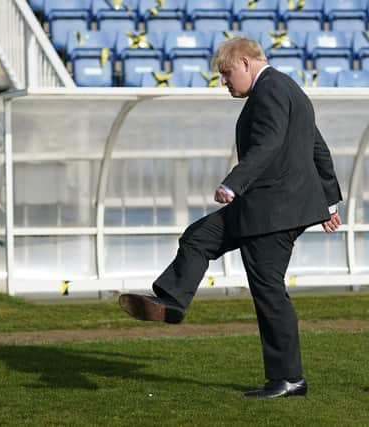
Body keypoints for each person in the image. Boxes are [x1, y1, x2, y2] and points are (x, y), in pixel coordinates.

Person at [118, 37, 343, 399]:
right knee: (199, 236)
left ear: (245, 63)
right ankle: (172, 301)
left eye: (225, 73)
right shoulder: (290, 89)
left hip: (271, 212)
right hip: (267, 207)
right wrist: (330, 202)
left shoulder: (269, 92)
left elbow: (267, 145)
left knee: (269, 291)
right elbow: (317, 147)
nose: (223, 81)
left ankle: (289, 379)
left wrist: (233, 182)